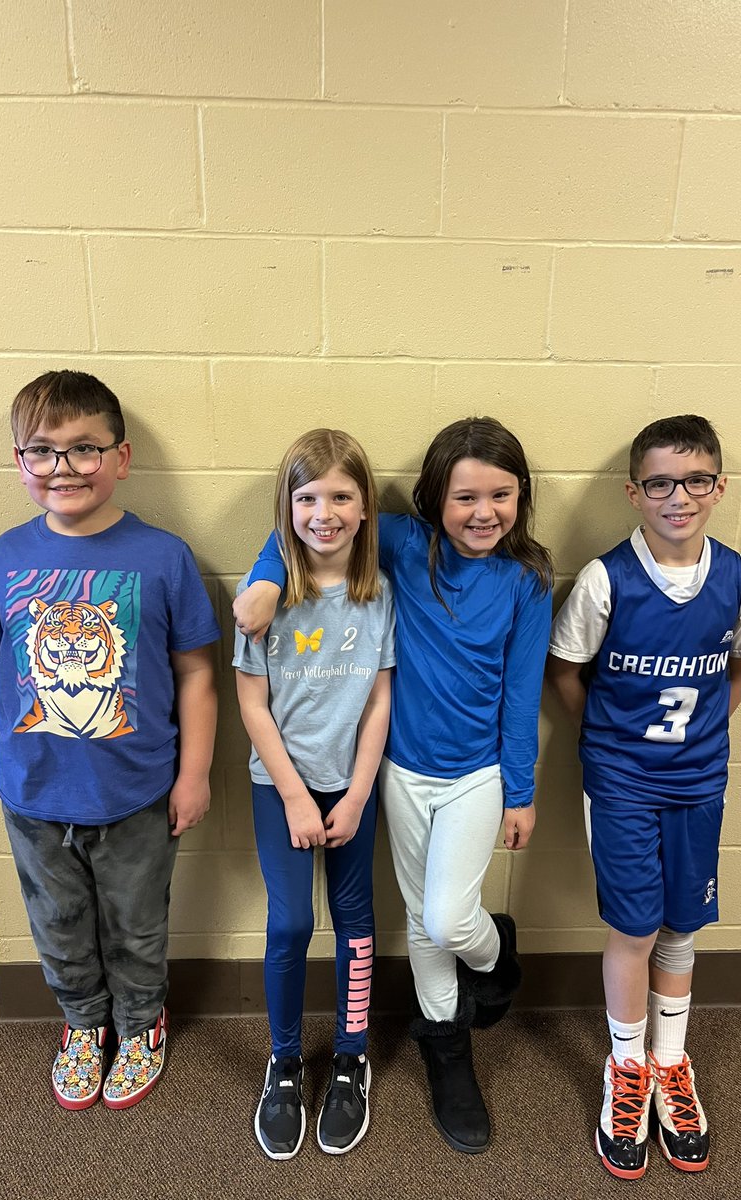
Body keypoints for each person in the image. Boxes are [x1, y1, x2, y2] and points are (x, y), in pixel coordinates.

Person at [234, 417, 553, 1154]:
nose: (482, 513)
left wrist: (522, 789)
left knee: (445, 918)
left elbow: (521, 693)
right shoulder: (405, 544)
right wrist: (264, 578)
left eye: (500, 496)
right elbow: (308, 521)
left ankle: (492, 956)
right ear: (433, 500)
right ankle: (447, 1049)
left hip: (473, 773)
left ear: (521, 497)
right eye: (464, 496)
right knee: (416, 918)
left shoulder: (527, 579)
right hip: (399, 772)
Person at [0, 370, 220, 1111]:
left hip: (136, 791)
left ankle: (140, 1025)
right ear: (19, 462)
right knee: (58, 926)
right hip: (34, 792)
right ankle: (82, 1025)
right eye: (41, 451)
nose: (62, 468)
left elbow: (199, 673)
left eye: (83, 449)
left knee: (138, 923)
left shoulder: (163, 557)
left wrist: (193, 773)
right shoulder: (7, 557)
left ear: (121, 457)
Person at [546, 415, 741, 1180]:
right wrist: (618, 741)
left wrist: (700, 735)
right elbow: (568, 674)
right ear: (634, 491)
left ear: (719, 487)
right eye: (660, 483)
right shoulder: (605, 579)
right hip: (620, 780)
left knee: (684, 923)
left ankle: (671, 1062)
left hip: (699, 777)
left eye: (695, 480)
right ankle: (626, 1070)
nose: (678, 496)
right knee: (637, 926)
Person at [233, 429, 394, 1159]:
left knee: (356, 923)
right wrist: (297, 797)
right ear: (286, 506)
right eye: (306, 497)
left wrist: (358, 792)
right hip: (282, 789)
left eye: (340, 496)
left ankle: (353, 1056)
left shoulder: (379, 593)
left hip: (352, 791)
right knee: (292, 923)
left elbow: (379, 701)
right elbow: (253, 705)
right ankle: (287, 1061)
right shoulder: (264, 600)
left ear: (364, 510)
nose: (323, 511)